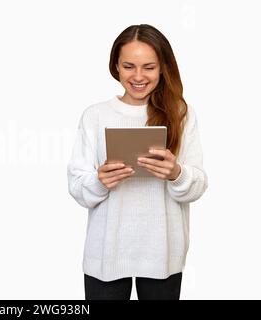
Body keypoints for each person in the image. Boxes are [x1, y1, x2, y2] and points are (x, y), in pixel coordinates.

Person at [67, 24, 208, 300]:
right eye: (129, 66)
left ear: (162, 68)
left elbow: (199, 184)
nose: (138, 76)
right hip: (106, 254)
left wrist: (176, 174)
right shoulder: (95, 115)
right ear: (116, 67)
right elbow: (76, 185)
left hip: (163, 253)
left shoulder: (181, 113)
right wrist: (99, 181)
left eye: (149, 67)